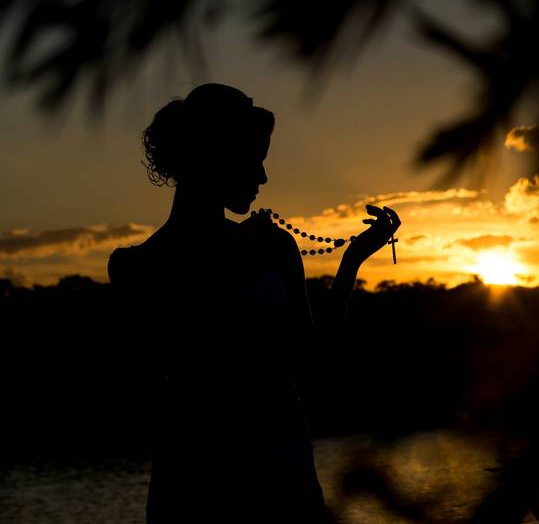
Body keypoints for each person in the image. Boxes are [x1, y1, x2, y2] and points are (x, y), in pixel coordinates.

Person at [107, 83, 400, 523]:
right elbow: (313, 369)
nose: (263, 178)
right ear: (216, 156)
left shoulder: (138, 266)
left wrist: (352, 260)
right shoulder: (257, 251)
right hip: (242, 474)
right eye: (254, 159)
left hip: (227, 474)